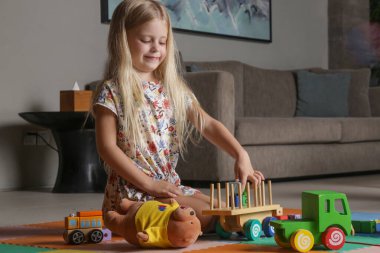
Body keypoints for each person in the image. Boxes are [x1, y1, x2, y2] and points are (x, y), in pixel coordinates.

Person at [92, 0, 264, 233]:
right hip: (131, 193)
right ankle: (134, 220)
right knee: (212, 217)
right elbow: (106, 147)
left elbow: (209, 124)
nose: (156, 49)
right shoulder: (112, 91)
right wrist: (150, 184)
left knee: (223, 208)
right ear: (122, 39)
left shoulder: (172, 89)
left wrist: (240, 154)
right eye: (146, 40)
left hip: (168, 186)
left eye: (162, 42)